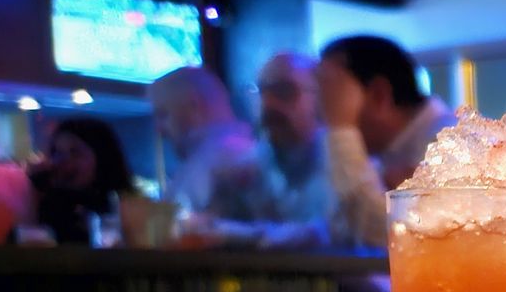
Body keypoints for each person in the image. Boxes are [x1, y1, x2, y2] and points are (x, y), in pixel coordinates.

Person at [317, 35, 452, 249]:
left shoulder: (451, 144)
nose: (322, 109)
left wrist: (341, 130)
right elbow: (337, 231)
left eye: (332, 92)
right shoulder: (389, 153)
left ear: (380, 95)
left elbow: (392, 236)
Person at [207, 53, 336, 248]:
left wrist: (247, 235)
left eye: (284, 91)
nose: (268, 104)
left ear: (320, 99)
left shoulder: (345, 165)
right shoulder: (239, 171)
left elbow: (335, 233)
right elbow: (210, 231)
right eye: (261, 92)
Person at [148, 66, 259, 214]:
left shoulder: (223, 160)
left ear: (194, 106)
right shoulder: (210, 158)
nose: (159, 130)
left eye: (163, 114)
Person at [27, 118, 134, 245]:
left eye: (75, 153)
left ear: (103, 159)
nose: (61, 161)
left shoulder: (125, 210)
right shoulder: (45, 206)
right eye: (57, 152)